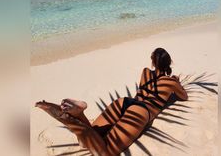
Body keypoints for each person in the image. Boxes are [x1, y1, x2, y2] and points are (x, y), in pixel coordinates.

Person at [36, 47, 188, 156]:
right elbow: (183, 96)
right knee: (106, 152)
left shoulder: (145, 72)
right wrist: (176, 82)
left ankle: (80, 114)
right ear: (169, 63)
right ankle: (72, 119)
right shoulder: (170, 82)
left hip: (124, 102)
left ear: (153, 63)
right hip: (142, 111)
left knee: (85, 142)